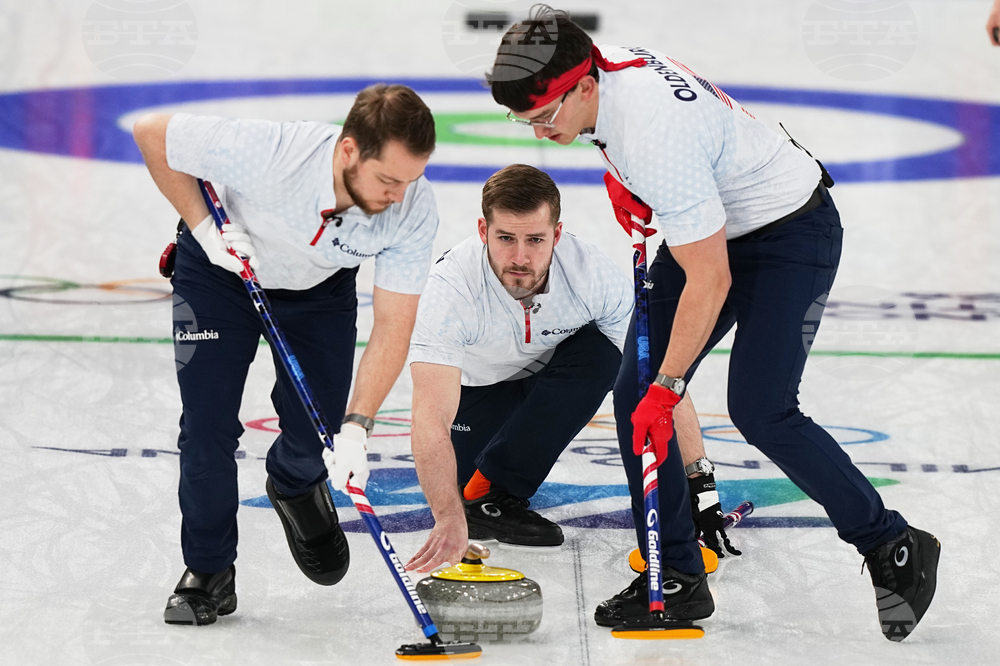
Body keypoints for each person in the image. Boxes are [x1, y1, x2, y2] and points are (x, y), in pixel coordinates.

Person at [488, 8, 940, 642]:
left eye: (543, 116)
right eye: (524, 119)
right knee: (631, 395)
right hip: (716, 224)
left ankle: (891, 542)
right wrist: (622, 177)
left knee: (760, 409)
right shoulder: (593, 65)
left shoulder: (651, 133)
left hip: (789, 235)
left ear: (585, 86)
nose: (537, 133)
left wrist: (670, 387)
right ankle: (677, 572)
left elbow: (712, 280)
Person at [132, 84, 439, 625]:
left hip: (319, 296)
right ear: (348, 152)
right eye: (389, 179)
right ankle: (208, 571)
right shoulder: (272, 152)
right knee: (206, 427)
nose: (399, 195)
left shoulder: (412, 208)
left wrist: (359, 427)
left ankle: (296, 483)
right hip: (220, 275)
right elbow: (151, 132)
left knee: (314, 433)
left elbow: (394, 323)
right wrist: (206, 232)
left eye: (410, 180)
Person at [403, 164, 707, 573]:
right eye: (505, 238)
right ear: (482, 231)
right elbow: (429, 416)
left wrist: (700, 485)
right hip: (478, 398)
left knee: (613, 352)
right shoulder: (452, 288)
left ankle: (499, 490)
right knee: (456, 490)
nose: (520, 257)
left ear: (557, 235)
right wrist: (448, 516)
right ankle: (478, 493)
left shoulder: (590, 274)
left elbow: (658, 378)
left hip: (550, 383)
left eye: (535, 239)